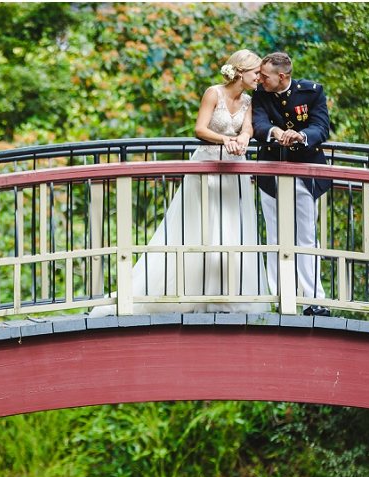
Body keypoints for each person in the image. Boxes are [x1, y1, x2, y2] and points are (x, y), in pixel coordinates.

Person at [92, 49, 270, 316]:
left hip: (233, 173)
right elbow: (200, 129)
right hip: (206, 169)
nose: (260, 78)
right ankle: (187, 294)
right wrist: (225, 140)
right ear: (241, 72)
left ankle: (222, 296)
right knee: (199, 230)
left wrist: (244, 138)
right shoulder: (214, 92)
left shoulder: (248, 100)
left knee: (229, 231)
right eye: (256, 73)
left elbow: (247, 127)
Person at [252, 52, 332, 316]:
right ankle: (278, 298)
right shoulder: (261, 94)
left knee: (307, 236)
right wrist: (274, 132)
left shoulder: (311, 92)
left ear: (282, 76)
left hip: (305, 172)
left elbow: (321, 127)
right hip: (270, 171)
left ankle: (314, 300)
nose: (260, 79)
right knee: (274, 235)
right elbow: (259, 123)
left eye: (264, 76)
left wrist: (301, 135)